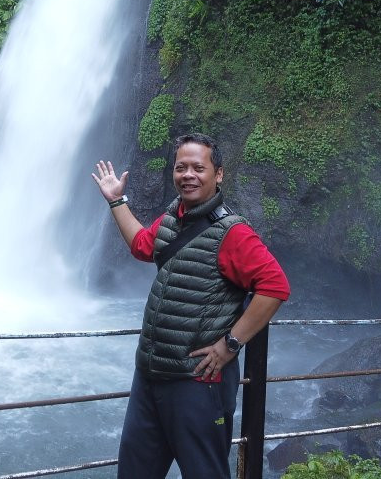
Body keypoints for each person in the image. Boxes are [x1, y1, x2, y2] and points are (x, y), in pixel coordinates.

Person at [92, 132, 290, 479]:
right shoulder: (173, 218)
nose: (188, 175)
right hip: (151, 375)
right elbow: (143, 245)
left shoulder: (233, 233)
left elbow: (274, 286)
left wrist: (230, 344)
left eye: (198, 168)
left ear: (218, 174)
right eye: (181, 167)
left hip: (197, 383)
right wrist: (116, 200)